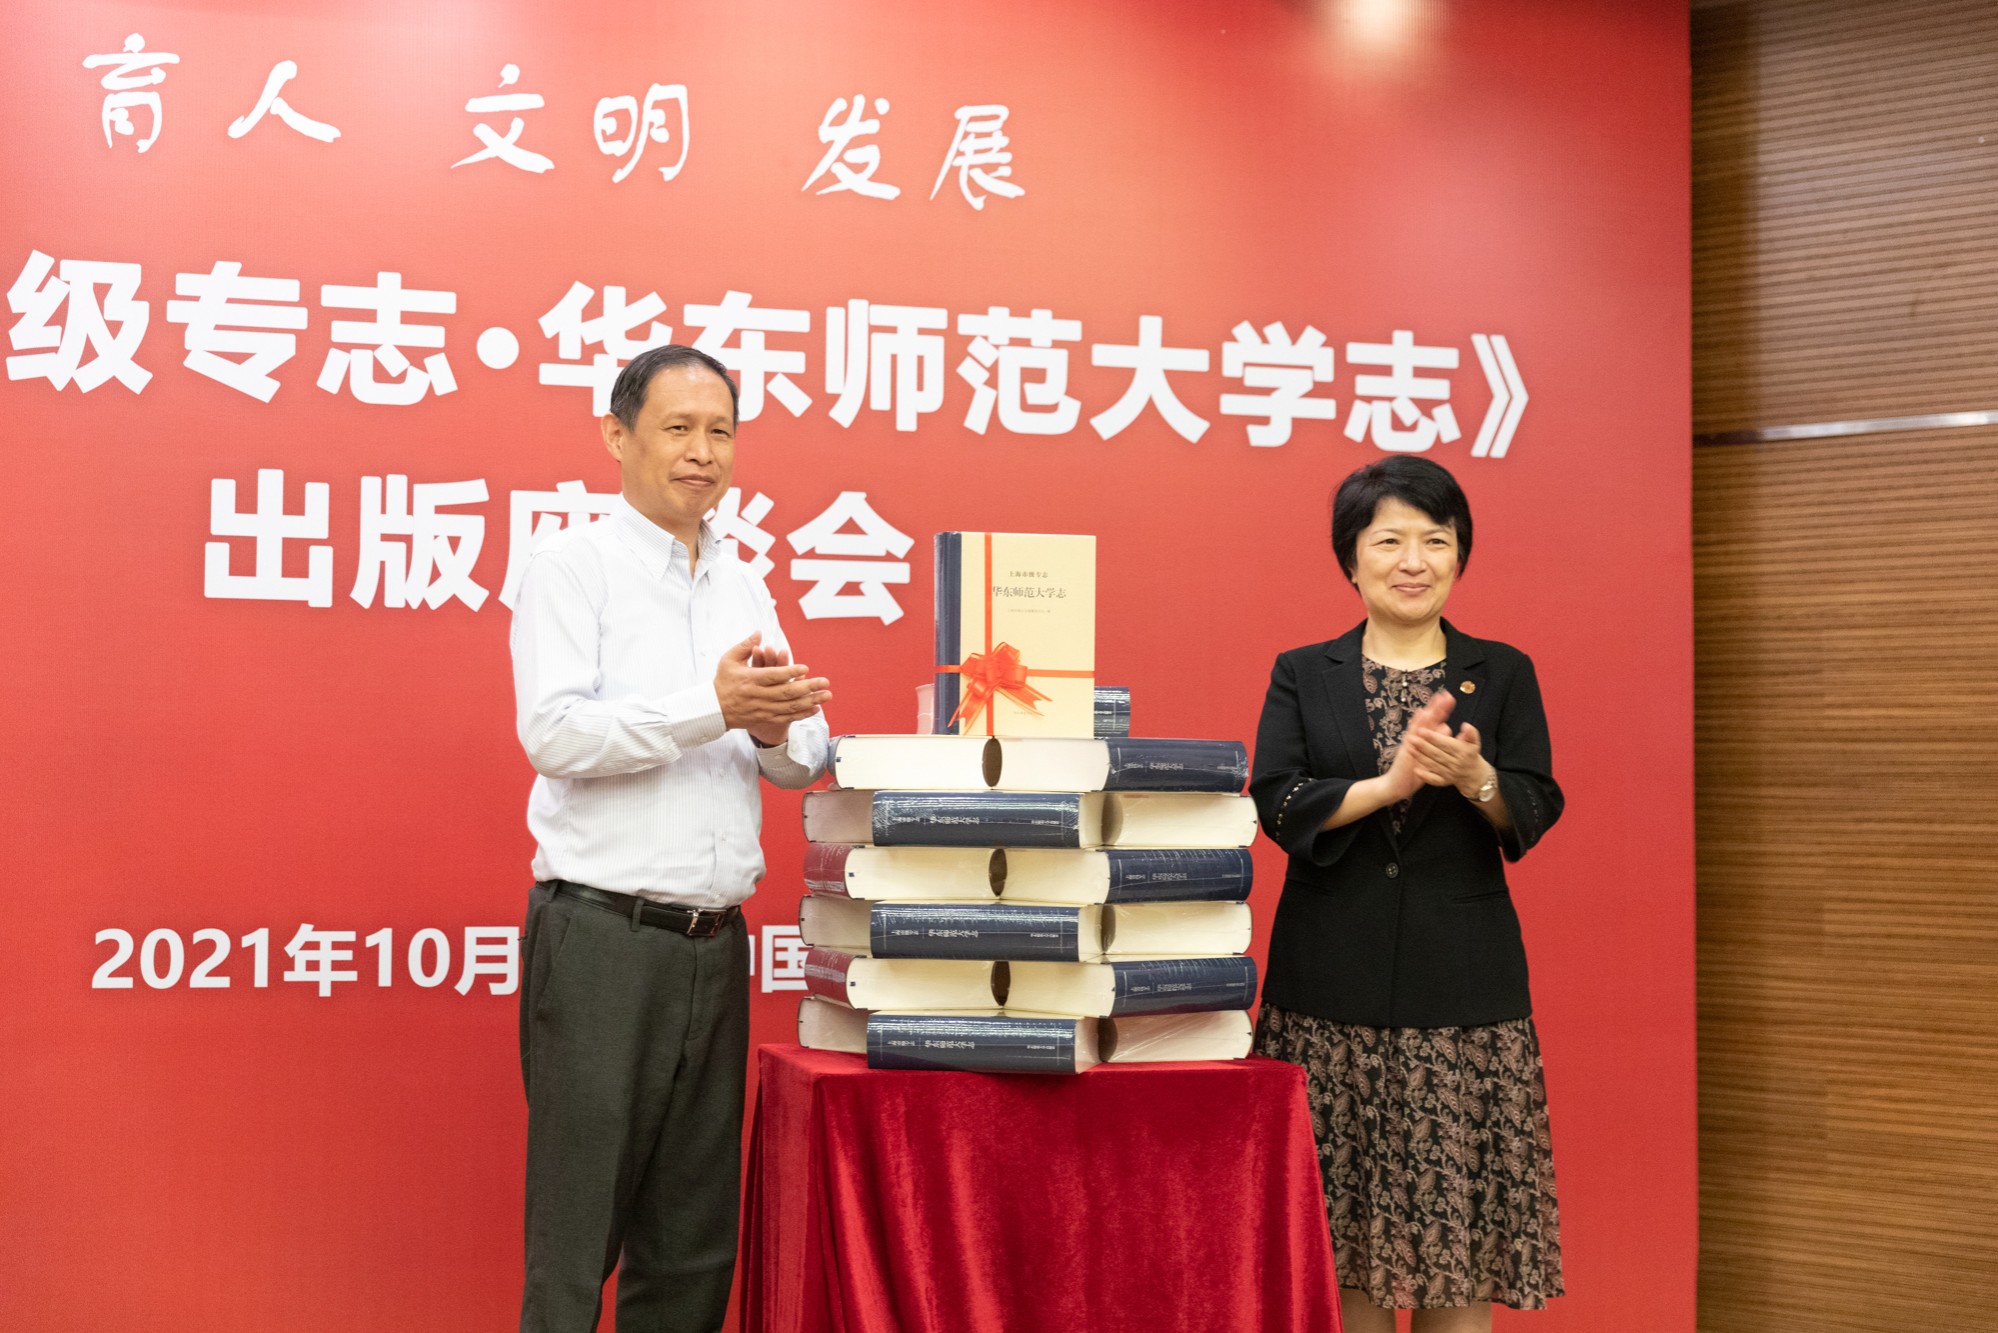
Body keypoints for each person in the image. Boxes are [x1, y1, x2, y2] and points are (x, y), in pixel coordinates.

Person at [509, 344, 831, 1333]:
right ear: (617, 437)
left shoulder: (743, 580)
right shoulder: (572, 568)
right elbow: (554, 734)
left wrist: (771, 725)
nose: (703, 452)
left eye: (721, 431)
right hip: (603, 941)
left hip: (714, 944)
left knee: (692, 1244)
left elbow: (800, 756)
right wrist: (712, 707)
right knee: (576, 1242)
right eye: (679, 428)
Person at [1249, 456, 1564, 1333]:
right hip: (1328, 997)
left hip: (1462, 1003)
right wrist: (1387, 787)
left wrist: (1476, 778)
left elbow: (1535, 803)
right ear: (1351, 558)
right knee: (1340, 1254)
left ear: (1461, 555)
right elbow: (1276, 800)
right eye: (1389, 540)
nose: (1414, 560)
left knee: (1456, 1259)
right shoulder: (1303, 671)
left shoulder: (1502, 671)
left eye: (1436, 540)